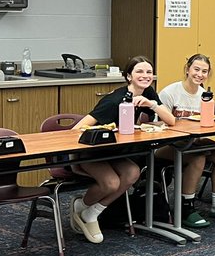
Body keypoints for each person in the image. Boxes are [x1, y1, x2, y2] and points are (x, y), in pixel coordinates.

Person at [71, 56, 174, 244]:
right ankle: (81, 205)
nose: (145, 76)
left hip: (116, 152)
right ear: (128, 76)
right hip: (91, 152)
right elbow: (76, 129)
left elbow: (171, 120)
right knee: (111, 183)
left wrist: (151, 104)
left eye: (149, 72)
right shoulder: (114, 101)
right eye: (139, 72)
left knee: (133, 172)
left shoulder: (148, 93)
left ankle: (92, 213)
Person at [157, 54, 215, 227]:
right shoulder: (169, 92)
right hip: (165, 143)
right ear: (187, 69)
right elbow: (158, 126)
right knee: (198, 157)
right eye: (196, 69)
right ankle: (185, 207)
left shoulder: (204, 95)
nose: (200, 74)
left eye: (204, 71)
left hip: (193, 141)